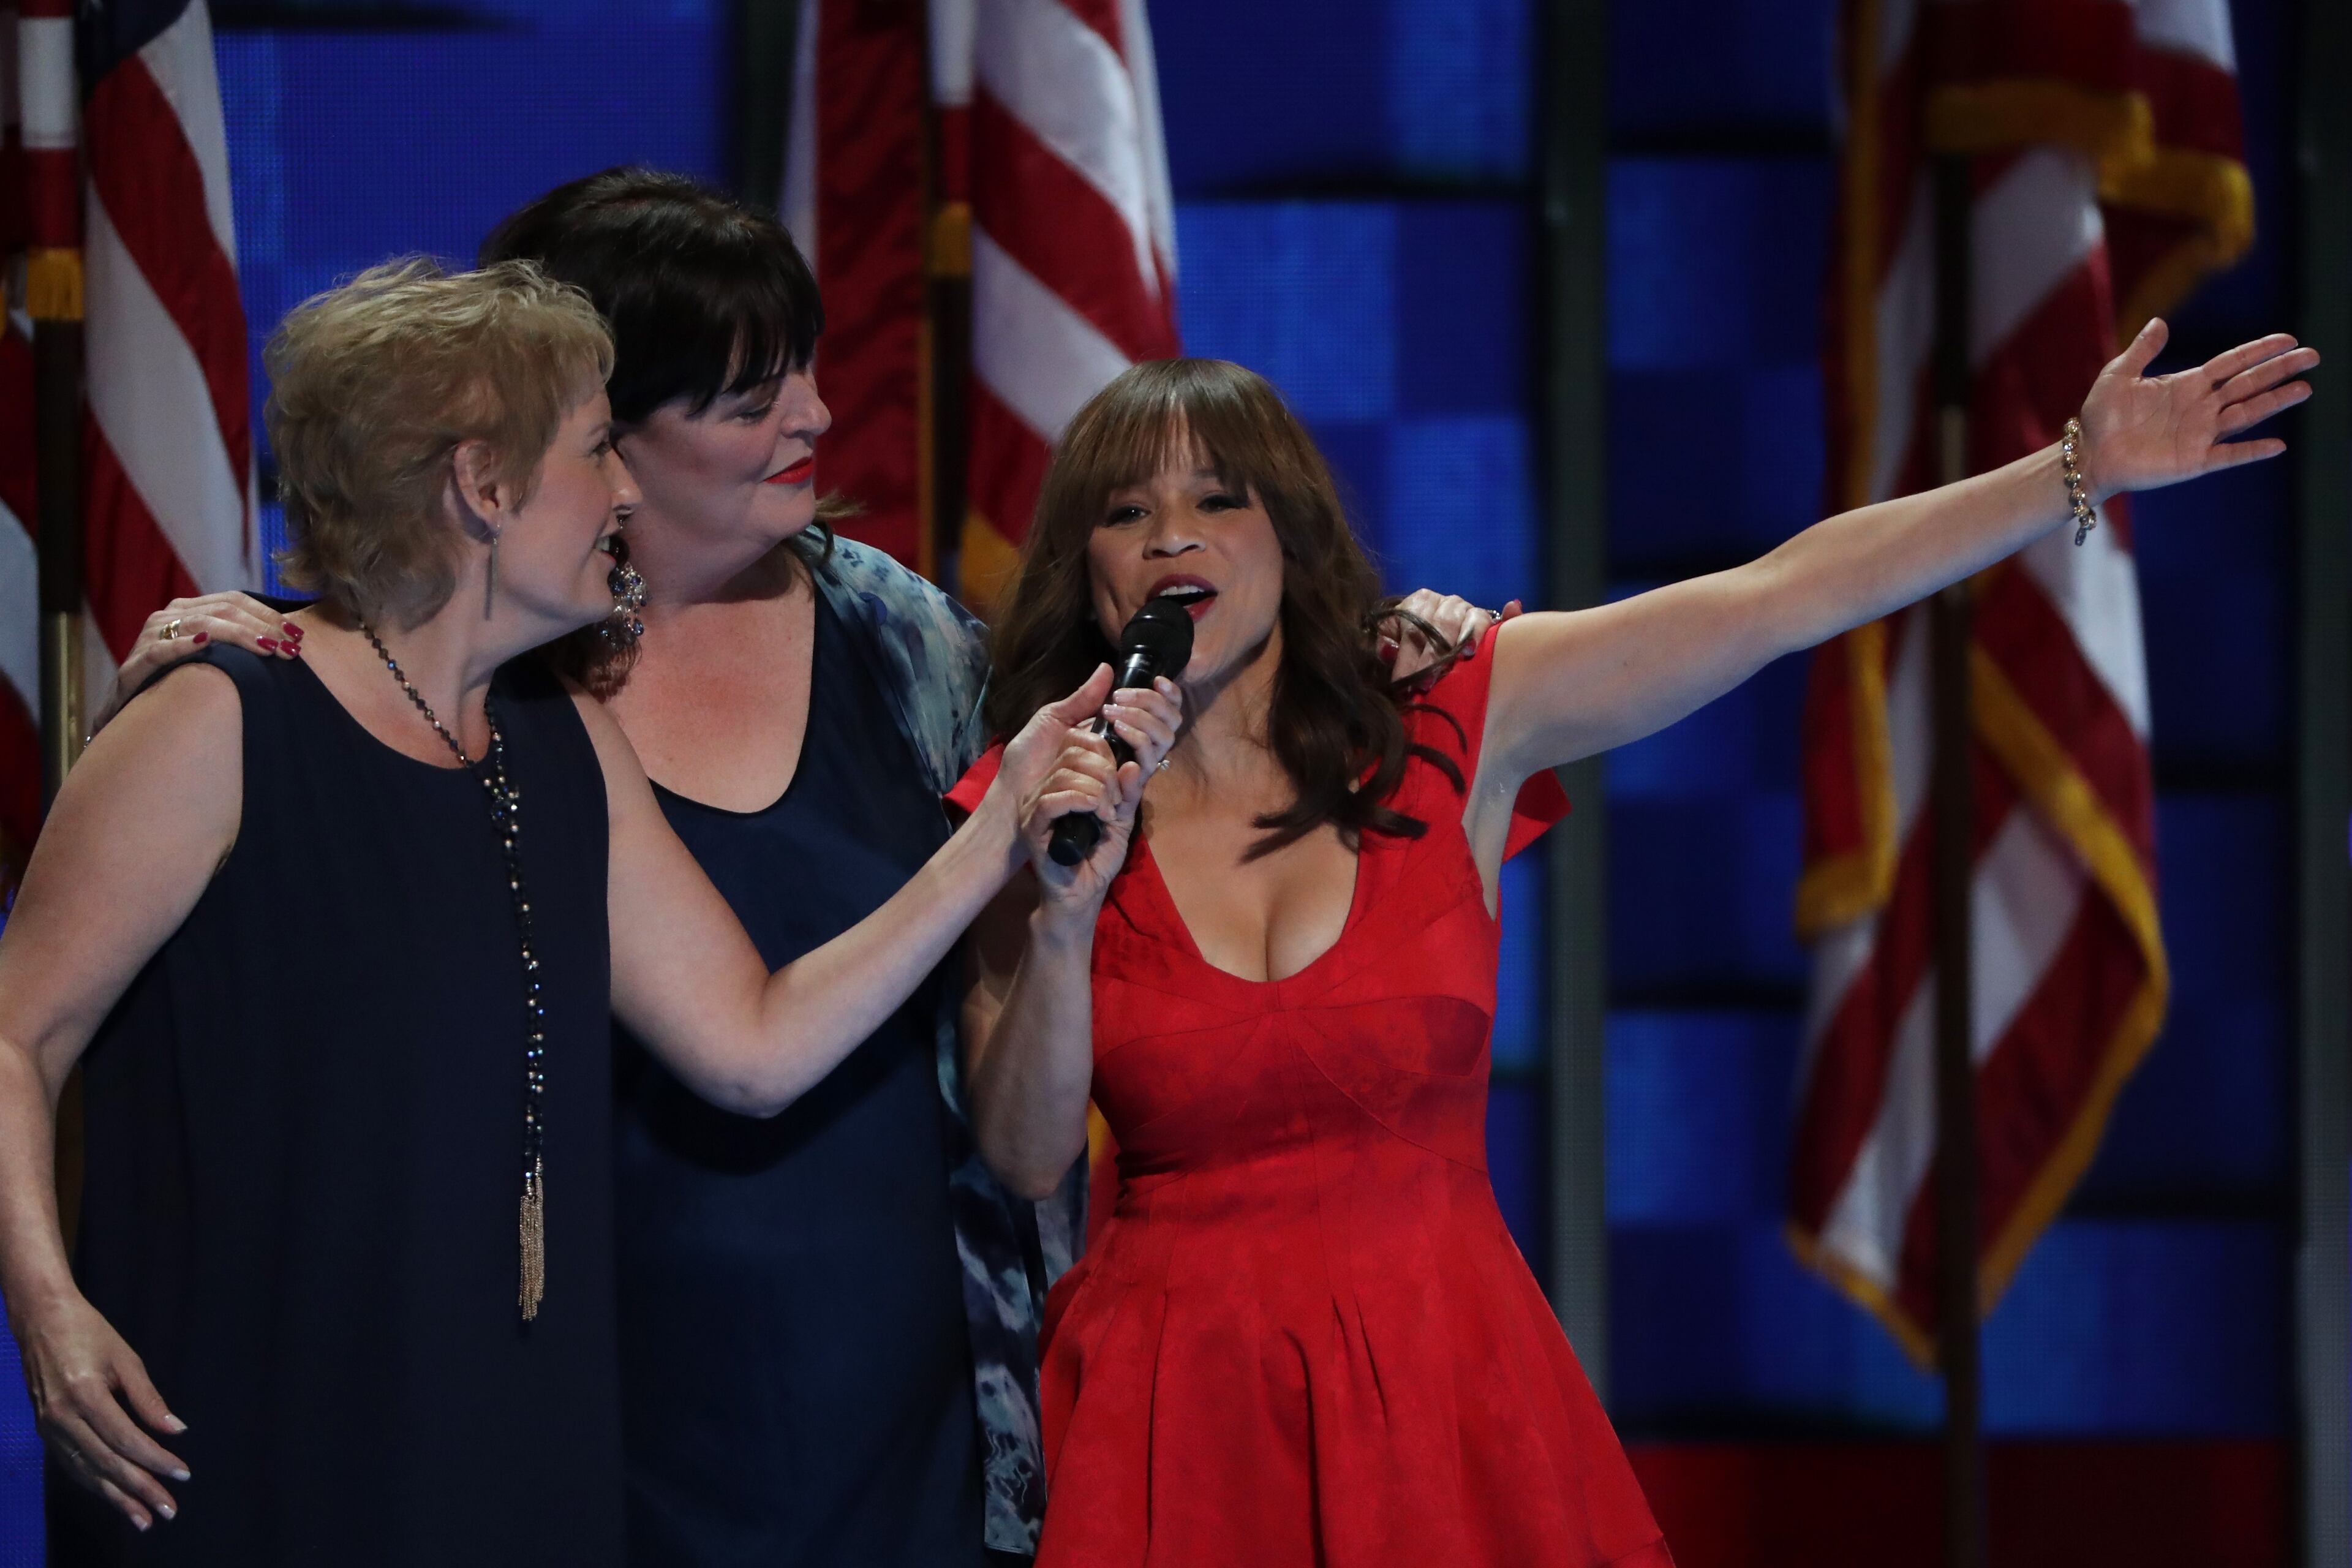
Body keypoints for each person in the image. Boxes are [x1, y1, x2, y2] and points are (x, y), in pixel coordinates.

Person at [92, 167, 1497, 1564]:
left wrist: (1383, 645)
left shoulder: (918, 646)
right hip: (575, 1404)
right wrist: (241, 644)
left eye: (808, 372)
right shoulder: (482, 680)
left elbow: (1153, 732)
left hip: (909, 1406)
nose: (817, 416)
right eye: (751, 396)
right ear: (600, 432)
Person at [954, 331, 2318, 1566]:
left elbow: (1775, 594)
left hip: (1449, 1391)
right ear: (1091, 570)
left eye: (1217, 498)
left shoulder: (1451, 721)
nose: (1172, 537)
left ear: (1292, 534)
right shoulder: (1041, 804)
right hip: (1180, 1422)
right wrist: (1066, 914)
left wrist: (2071, 469)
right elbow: (1022, 1155)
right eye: (1127, 513)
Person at [0, 257, 1096, 1564]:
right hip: (252, 1433)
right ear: (481, 483)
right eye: (593, 450)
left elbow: (755, 1044)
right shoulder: (222, 716)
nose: (625, 489)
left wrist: (996, 833)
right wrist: (47, 1310)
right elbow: (16, 1037)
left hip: (515, 1436)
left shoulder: (563, 740)